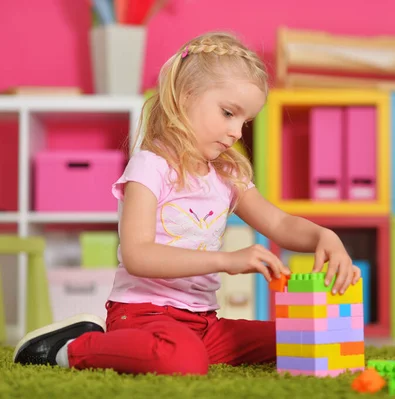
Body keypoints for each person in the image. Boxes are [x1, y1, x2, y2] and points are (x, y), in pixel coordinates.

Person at [12, 32, 361, 376]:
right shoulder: (151, 165)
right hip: (143, 315)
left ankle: (173, 348)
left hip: (205, 324)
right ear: (184, 96)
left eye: (245, 121)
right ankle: (71, 348)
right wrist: (226, 261)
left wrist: (324, 237)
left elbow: (281, 224)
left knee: (301, 339)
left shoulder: (226, 176)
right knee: (182, 359)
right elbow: (138, 254)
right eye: (228, 113)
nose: (237, 132)